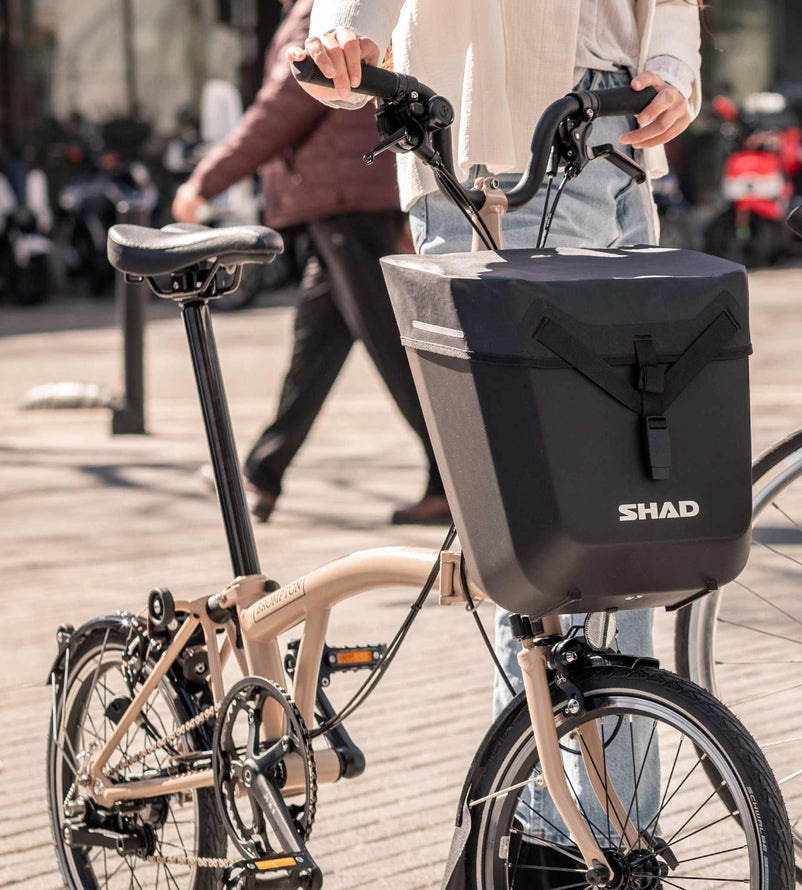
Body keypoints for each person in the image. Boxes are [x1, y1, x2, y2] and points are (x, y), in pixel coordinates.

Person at [289, 0, 702, 867]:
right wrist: (339, 28)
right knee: (562, 544)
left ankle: (567, 843)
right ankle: (564, 844)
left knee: (622, 529)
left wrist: (672, 62)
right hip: (503, 152)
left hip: (620, 143)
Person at [173, 0, 450, 525]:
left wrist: (203, 183)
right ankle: (263, 471)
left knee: (392, 346)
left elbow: (279, 110)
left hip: (350, 203)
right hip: (342, 203)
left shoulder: (320, 14)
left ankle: (457, 474)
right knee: (315, 346)